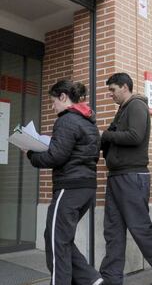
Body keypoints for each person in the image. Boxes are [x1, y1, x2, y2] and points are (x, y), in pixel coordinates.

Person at [26, 80, 103, 285]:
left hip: (69, 188)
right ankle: (92, 279)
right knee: (59, 237)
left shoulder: (67, 120)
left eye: (53, 102)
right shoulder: (88, 122)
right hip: (86, 187)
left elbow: (55, 157)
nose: (52, 107)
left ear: (63, 97)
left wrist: (31, 154)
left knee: (56, 242)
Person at [99, 73, 152, 285]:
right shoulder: (122, 110)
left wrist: (106, 135)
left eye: (113, 89)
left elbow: (135, 136)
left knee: (139, 226)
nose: (110, 94)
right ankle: (111, 277)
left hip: (132, 176)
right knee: (112, 229)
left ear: (124, 87)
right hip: (116, 176)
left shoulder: (137, 106)